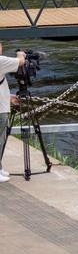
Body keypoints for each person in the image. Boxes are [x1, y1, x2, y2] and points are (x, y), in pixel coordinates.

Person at [0, 42, 25, 182]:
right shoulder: (1, 61)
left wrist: (8, 98)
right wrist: (21, 53)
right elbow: (21, 61)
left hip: (2, 103)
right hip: (0, 109)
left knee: (1, 139)